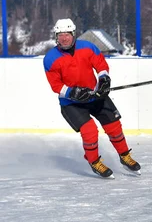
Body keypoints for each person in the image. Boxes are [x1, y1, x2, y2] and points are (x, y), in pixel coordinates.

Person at [43, 18, 141, 179]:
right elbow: (56, 86)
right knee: (90, 131)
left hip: (94, 96)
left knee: (114, 125)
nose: (64, 38)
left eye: (67, 34)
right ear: (56, 36)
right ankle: (94, 161)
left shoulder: (88, 47)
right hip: (71, 103)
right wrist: (73, 93)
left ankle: (124, 156)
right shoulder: (50, 59)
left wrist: (103, 80)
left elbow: (101, 65)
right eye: (60, 35)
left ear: (74, 34)